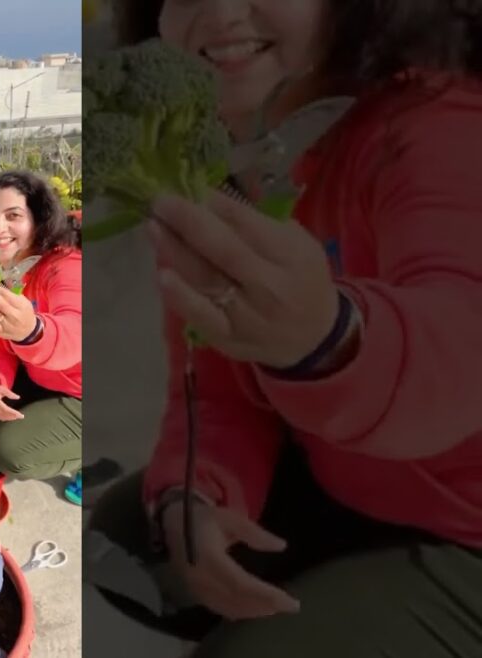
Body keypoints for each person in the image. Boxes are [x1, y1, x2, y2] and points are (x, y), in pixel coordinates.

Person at [89, 0, 482, 655]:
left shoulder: (440, 125)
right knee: (139, 534)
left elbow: (463, 352)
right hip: (349, 472)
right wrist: (199, 493)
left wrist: (330, 340)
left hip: (467, 526)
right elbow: (215, 385)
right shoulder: (208, 148)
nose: (218, 13)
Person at [0, 170, 84, 502]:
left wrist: (33, 332)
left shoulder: (66, 267)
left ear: (39, 220)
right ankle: (43, 422)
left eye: (14, 216)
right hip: (47, 376)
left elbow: (74, 333)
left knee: (6, 451)